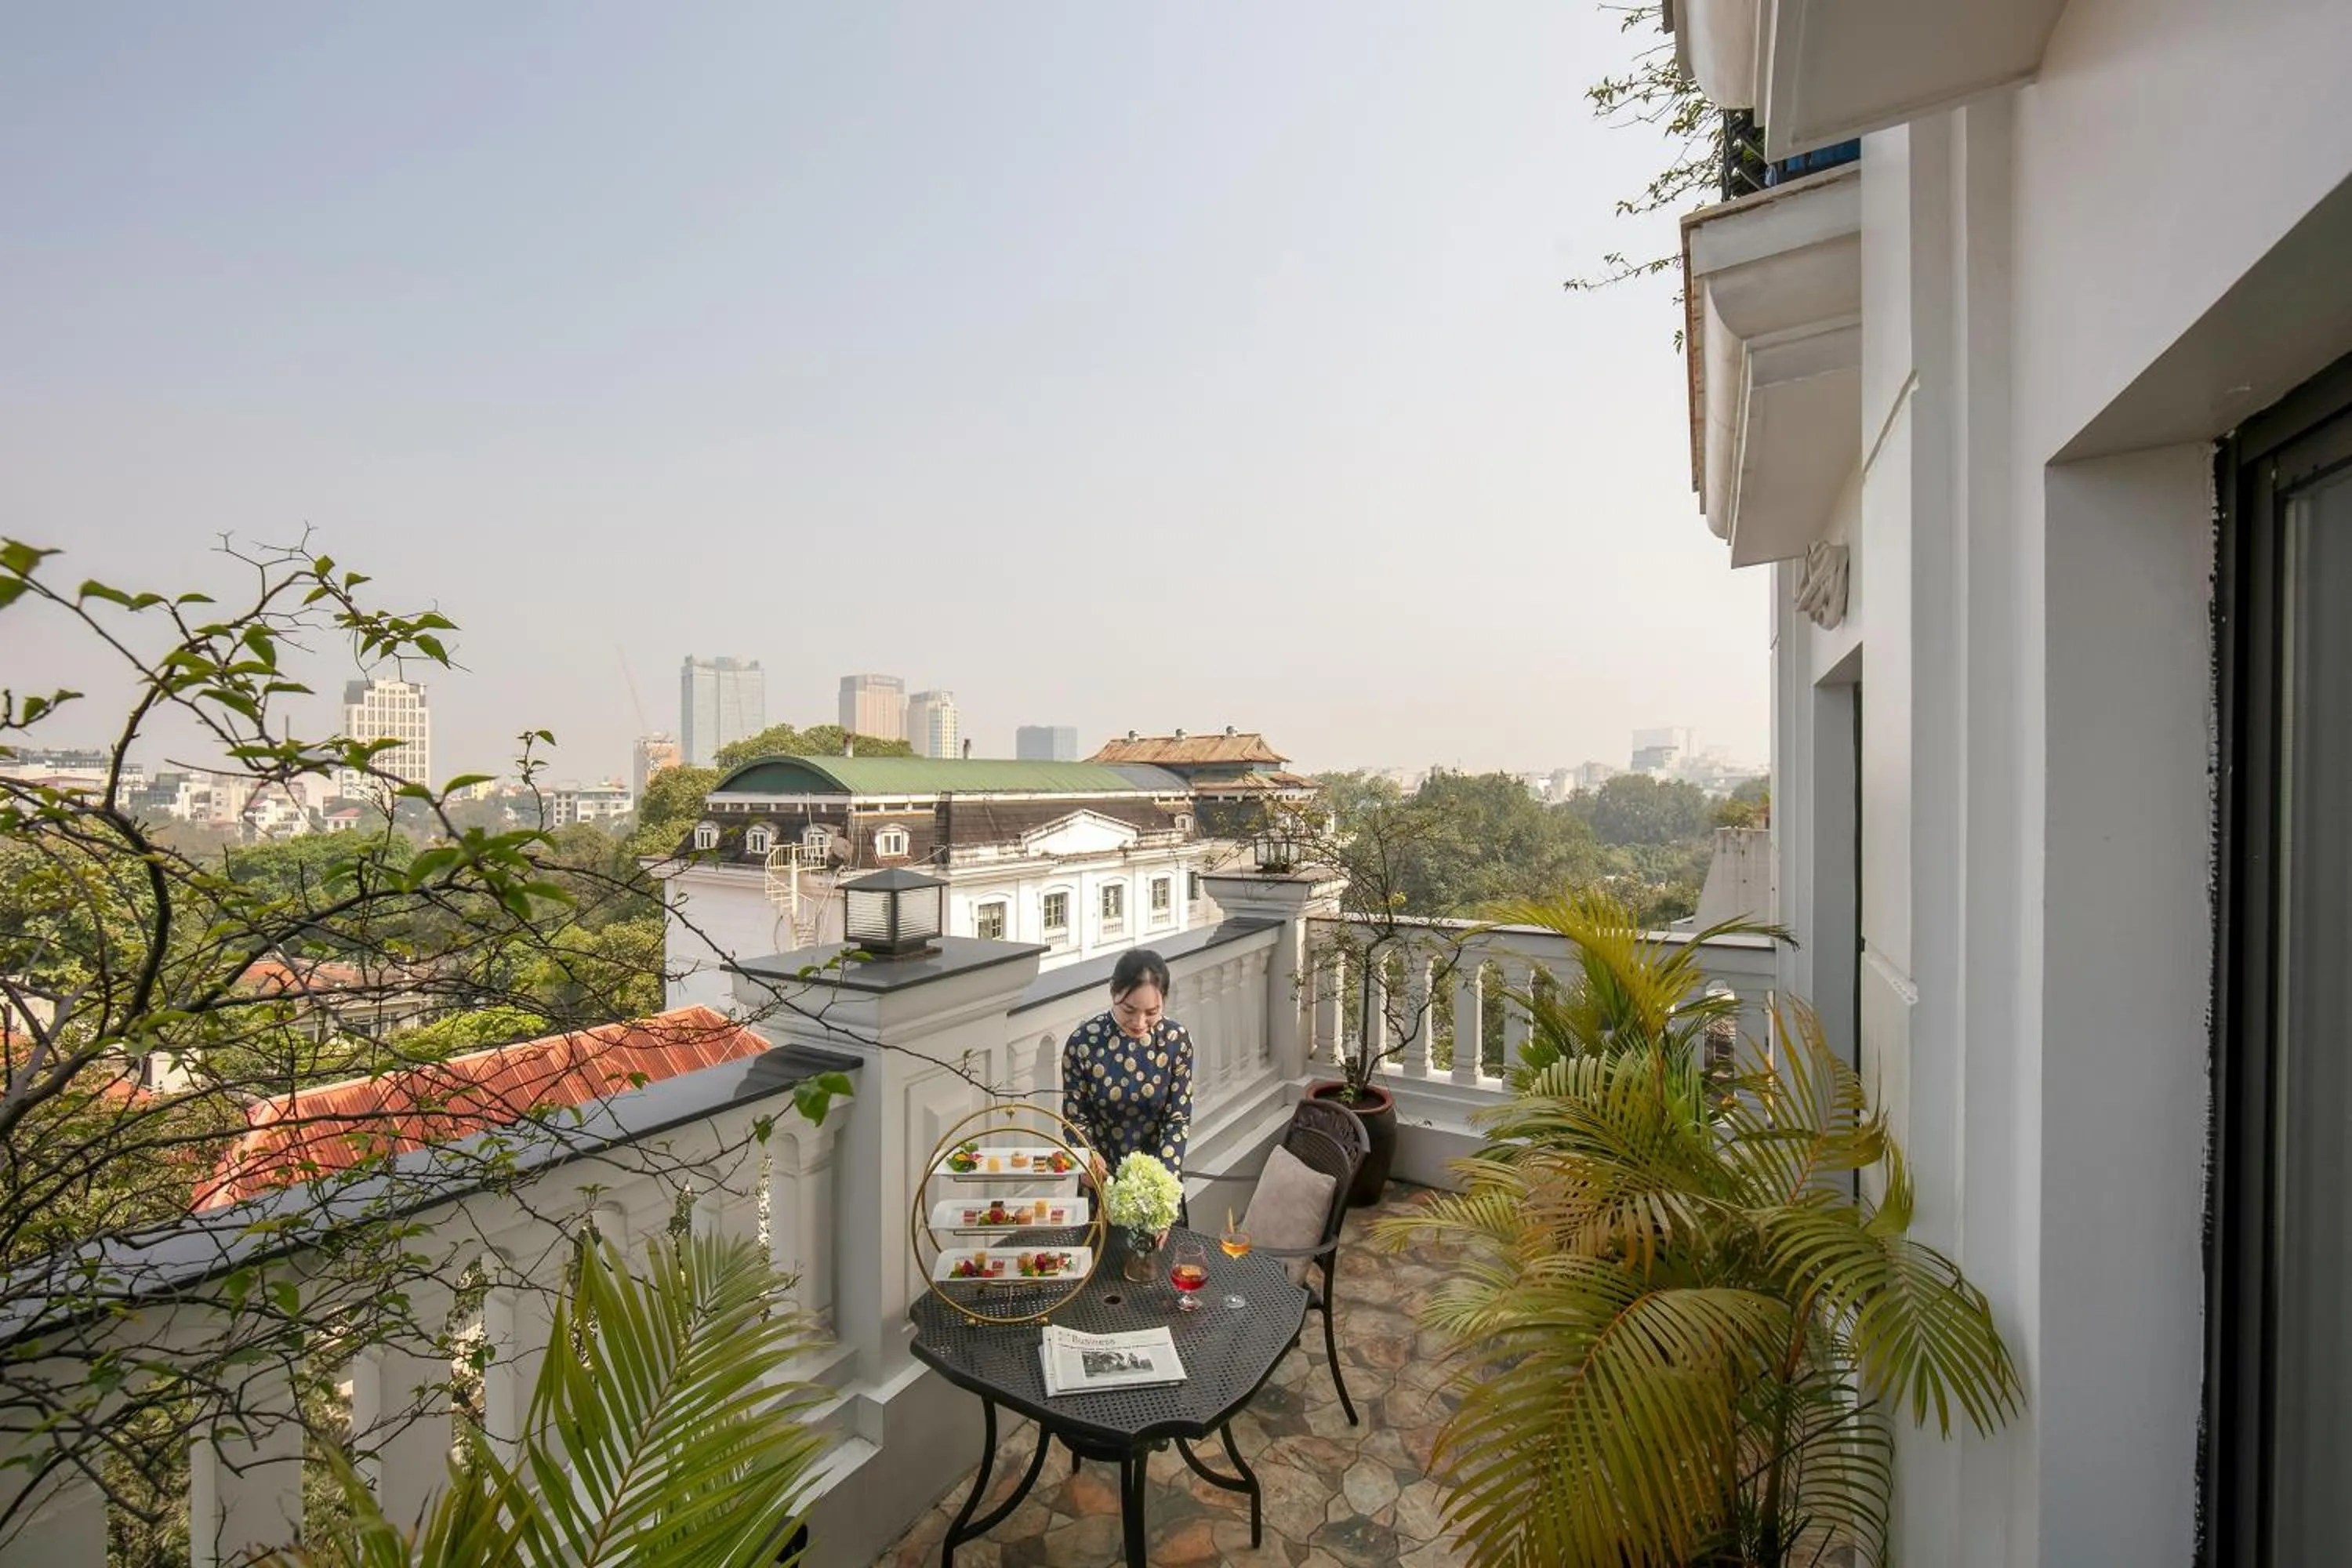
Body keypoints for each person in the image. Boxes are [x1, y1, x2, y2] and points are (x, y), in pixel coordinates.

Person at [1062, 948, 1193, 1232]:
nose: (1139, 1023)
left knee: (1164, 1270)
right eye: (1129, 1010)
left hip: (1160, 1181)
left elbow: (1178, 1119)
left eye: (1152, 1012)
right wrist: (1087, 1159)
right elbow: (1075, 1119)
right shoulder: (1083, 1044)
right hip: (1101, 1181)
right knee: (1100, 1266)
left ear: (1164, 1001)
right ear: (1113, 992)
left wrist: (1160, 1188)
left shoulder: (1176, 1041)